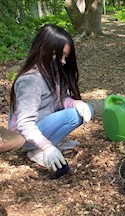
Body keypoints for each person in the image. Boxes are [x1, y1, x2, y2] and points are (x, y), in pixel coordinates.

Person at [9, 24, 93, 172]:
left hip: (43, 124)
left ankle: (50, 143)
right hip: (25, 137)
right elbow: (25, 123)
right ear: (44, 50)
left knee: (84, 110)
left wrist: (75, 103)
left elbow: (60, 98)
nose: (63, 61)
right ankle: (38, 150)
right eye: (60, 55)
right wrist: (46, 146)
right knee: (72, 115)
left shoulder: (52, 69)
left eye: (65, 56)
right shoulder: (31, 80)